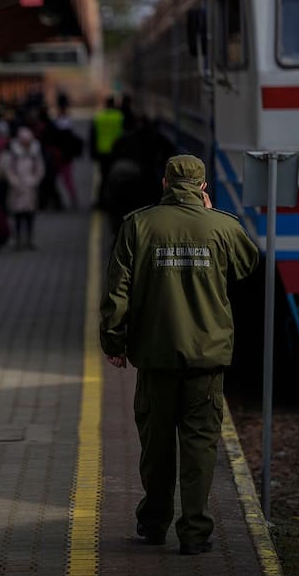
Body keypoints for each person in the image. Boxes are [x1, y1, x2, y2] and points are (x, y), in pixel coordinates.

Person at [99, 155, 259, 555]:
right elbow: (247, 266)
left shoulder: (138, 224)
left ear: (165, 182)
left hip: (155, 356)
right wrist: (209, 216)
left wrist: (114, 343)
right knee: (200, 444)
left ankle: (153, 523)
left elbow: (117, 291)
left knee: (156, 445)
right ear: (203, 187)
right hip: (206, 359)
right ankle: (195, 532)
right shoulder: (224, 226)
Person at [0, 125, 46, 250]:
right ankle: (18, 240)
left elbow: (40, 169)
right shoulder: (14, 154)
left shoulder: (35, 153)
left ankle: (29, 239)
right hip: (17, 190)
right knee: (18, 216)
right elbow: (8, 170)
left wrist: (34, 181)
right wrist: (15, 182)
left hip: (30, 189)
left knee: (30, 216)